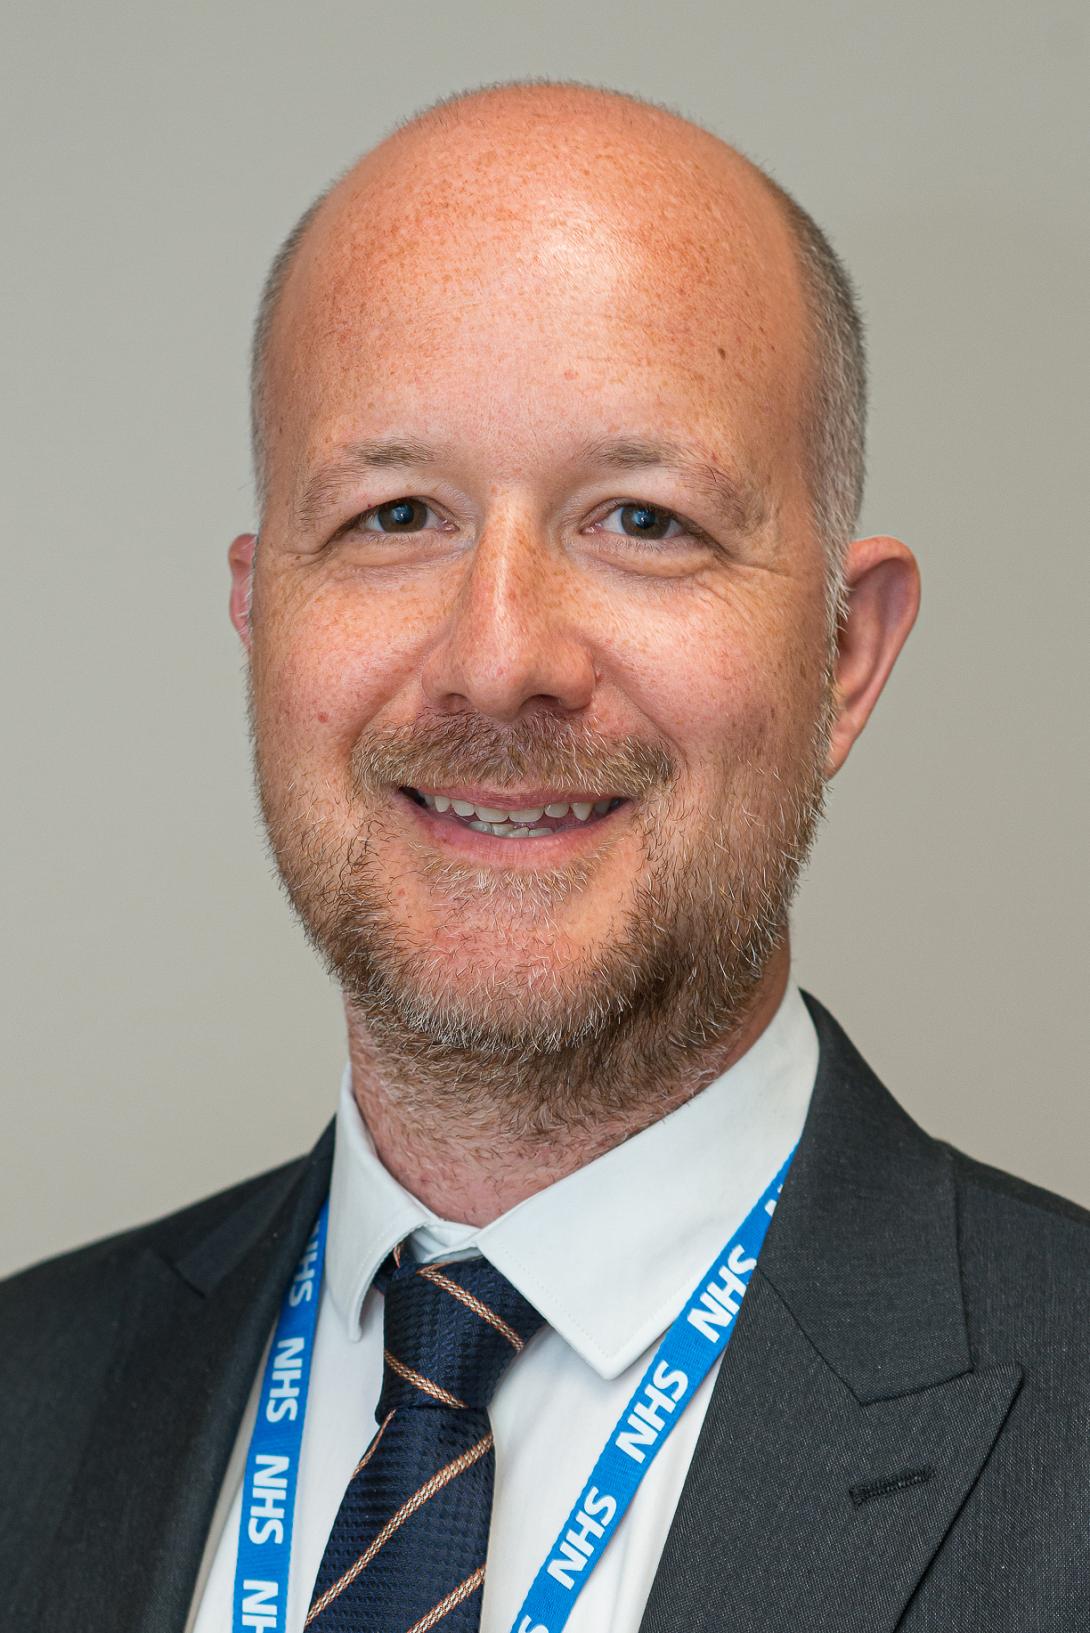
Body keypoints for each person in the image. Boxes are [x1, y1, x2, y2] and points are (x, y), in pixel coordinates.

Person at [1, 79, 1086, 1633]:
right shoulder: (26, 1405)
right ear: (259, 616)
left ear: (845, 652)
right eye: (393, 516)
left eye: (640, 521)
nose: (498, 656)